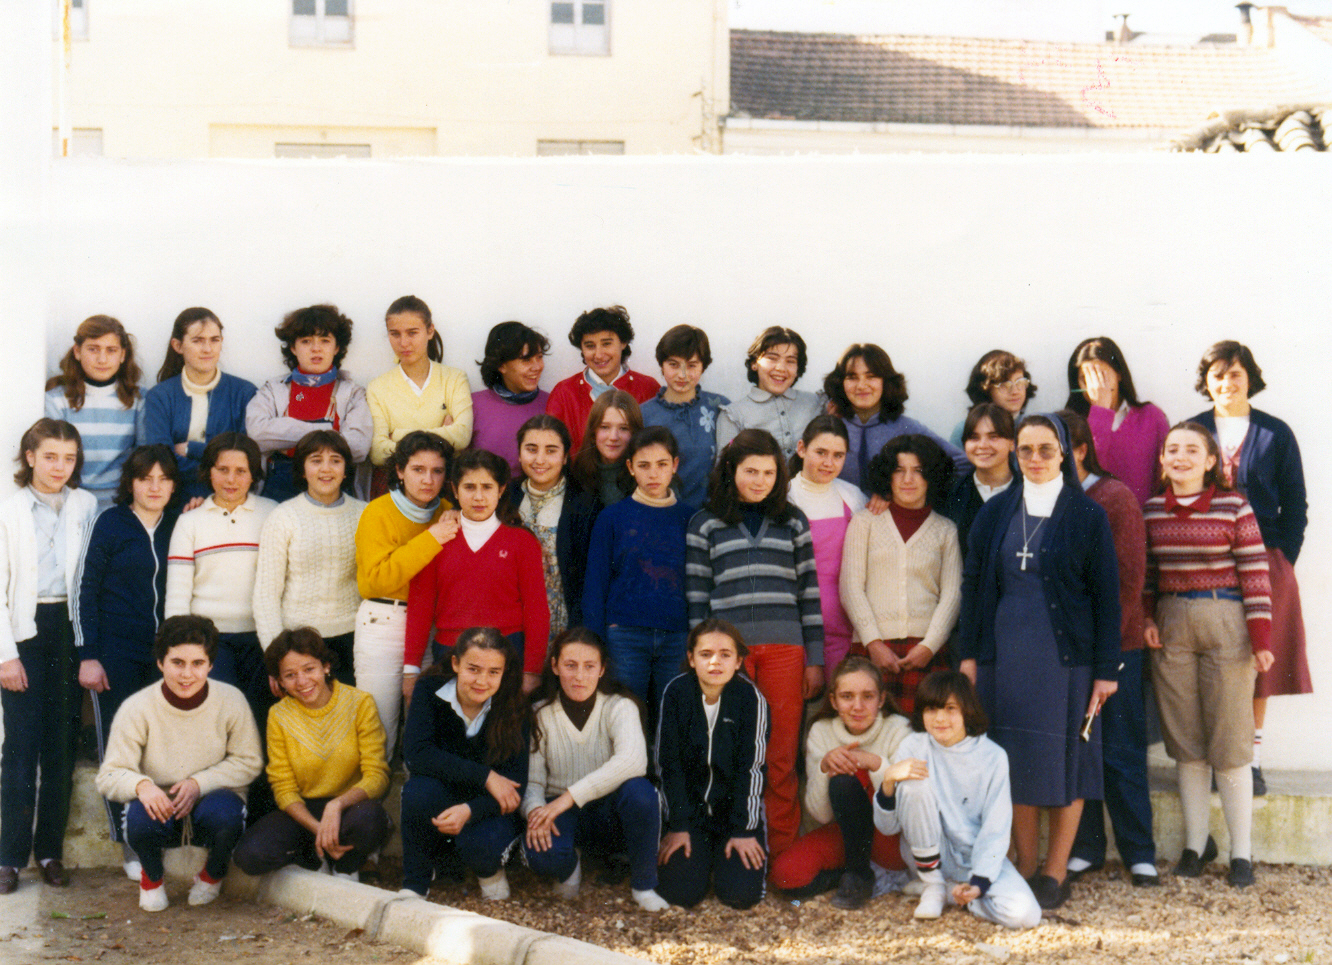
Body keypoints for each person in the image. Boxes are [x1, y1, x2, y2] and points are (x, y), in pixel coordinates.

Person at [956, 414, 1120, 910]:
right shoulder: (995, 513)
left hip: (1065, 659)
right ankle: (1025, 863)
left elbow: (1107, 599)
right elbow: (973, 591)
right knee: (1015, 763)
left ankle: (1054, 871)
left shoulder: (1087, 516)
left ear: (1066, 454)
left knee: (1067, 762)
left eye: (1046, 449)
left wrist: (1107, 671)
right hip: (1005, 659)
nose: (1035, 459)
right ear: (1014, 453)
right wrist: (969, 657)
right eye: (1025, 449)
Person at [1143, 422, 1273, 889]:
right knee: (1187, 742)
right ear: (1162, 460)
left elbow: (1256, 571)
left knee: (1231, 740)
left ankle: (1242, 852)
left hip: (1227, 622)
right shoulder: (1152, 510)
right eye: (1172, 450)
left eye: (1191, 450)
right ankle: (1197, 845)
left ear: (1210, 460)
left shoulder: (1233, 505)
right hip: (1173, 624)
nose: (1180, 457)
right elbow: (1147, 576)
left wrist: (1261, 640)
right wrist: (1148, 618)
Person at [686, 428, 823, 859]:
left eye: (768, 472)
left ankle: (780, 853)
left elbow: (809, 593)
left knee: (780, 755)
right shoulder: (704, 522)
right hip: (728, 657)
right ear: (731, 471)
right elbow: (697, 598)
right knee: (729, 750)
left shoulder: (793, 521)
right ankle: (729, 849)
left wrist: (815, 659)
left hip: (785, 651)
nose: (760, 480)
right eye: (750, 471)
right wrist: (701, 659)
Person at [1190, 340, 1309, 796]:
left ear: (1249, 379)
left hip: (1265, 563)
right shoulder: (1193, 429)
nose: (1227, 382)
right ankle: (1215, 760)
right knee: (1215, 659)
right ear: (1207, 382)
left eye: (1235, 374)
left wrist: (1280, 560)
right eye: (1218, 375)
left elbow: (1295, 504)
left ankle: (1250, 761)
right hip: (1204, 564)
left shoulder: (1275, 433)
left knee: (1259, 664)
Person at [94, 615, 262, 911]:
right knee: (138, 818)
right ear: (160, 662)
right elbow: (109, 775)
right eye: (177, 662)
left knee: (227, 813)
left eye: (198, 663)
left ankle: (213, 875)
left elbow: (249, 762)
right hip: (162, 807)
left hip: (210, 802)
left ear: (210, 665)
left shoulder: (231, 700)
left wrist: (200, 783)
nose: (187, 674)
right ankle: (152, 877)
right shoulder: (137, 707)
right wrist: (142, 785)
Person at [0, 419, 99, 895]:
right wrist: (5, 656)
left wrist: (88, 646)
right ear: (31, 457)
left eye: (69, 458)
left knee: (60, 747)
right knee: (19, 748)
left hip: (69, 629)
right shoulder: (9, 509)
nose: (60, 466)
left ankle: (49, 851)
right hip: (24, 631)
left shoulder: (85, 504)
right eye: (51, 456)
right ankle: (8, 858)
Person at [1061, 410, 1157, 888]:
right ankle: (1087, 847)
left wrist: (1106, 650)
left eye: (1056, 448)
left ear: (1079, 450)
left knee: (1119, 749)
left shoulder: (1113, 497)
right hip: (1068, 650)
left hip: (1117, 645)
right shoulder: (1049, 499)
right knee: (1081, 750)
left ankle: (1140, 852)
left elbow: (1127, 581)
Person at [74, 444, 182, 866]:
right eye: (145, 479)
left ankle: (162, 834)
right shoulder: (111, 522)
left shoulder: (181, 523)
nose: (154, 487)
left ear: (174, 484)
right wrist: (88, 654)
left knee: (163, 746)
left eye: (164, 478)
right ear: (130, 483)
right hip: (115, 654)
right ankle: (131, 845)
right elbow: (85, 588)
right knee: (121, 750)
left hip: (166, 657)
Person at [873, 670, 1041, 929]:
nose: (940, 718)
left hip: (975, 857)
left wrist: (979, 883)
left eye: (950, 708)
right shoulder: (913, 746)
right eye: (931, 709)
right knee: (916, 784)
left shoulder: (993, 756)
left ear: (967, 710)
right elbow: (888, 827)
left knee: (1026, 915)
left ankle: (952, 893)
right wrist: (888, 781)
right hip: (929, 854)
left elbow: (996, 827)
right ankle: (932, 885)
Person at [522, 628, 666, 911]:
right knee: (542, 853)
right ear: (554, 666)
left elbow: (633, 761)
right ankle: (569, 864)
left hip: (606, 811)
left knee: (641, 791)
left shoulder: (619, 706)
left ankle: (644, 885)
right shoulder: (539, 712)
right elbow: (533, 781)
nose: (579, 676)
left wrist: (570, 796)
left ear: (602, 670)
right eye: (570, 665)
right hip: (559, 812)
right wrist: (536, 813)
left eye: (589, 666)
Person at [232, 628, 390, 881]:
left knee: (370, 819)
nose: (302, 682)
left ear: (325, 666)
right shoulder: (279, 715)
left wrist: (336, 805)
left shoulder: (359, 703)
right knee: (250, 856)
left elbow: (377, 776)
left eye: (309, 669)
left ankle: (346, 867)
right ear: (280, 682)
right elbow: (283, 788)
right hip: (304, 813)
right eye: (290, 675)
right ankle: (314, 856)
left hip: (349, 807)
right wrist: (318, 829)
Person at [769, 655, 910, 908]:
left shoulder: (898, 728)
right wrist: (825, 767)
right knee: (786, 877)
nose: (857, 706)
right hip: (847, 831)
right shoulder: (821, 731)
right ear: (833, 700)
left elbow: (908, 804)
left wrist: (874, 763)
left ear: (881, 699)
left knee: (849, 774)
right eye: (847, 696)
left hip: (890, 834)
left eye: (868, 696)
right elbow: (821, 815)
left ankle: (858, 875)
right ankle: (860, 874)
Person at [399, 626, 529, 899]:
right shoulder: (429, 689)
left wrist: (470, 809)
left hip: (486, 804)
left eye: (494, 672)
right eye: (474, 669)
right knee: (417, 793)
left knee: (481, 844)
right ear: (456, 663)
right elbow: (416, 753)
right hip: (448, 790)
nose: (482, 680)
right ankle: (415, 884)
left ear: (504, 673)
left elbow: (514, 785)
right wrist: (485, 776)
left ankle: (490, 873)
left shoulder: (514, 705)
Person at [406, 449, 549, 690]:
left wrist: (532, 670)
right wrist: (410, 671)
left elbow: (536, 611)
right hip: (450, 653)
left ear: (501, 490)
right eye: (470, 487)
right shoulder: (437, 538)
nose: (479, 496)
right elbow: (420, 607)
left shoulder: (522, 542)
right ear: (454, 489)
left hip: (507, 652)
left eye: (487, 487)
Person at [164, 432, 278, 729]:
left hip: (261, 637)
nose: (231, 479)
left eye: (241, 471)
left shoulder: (272, 514)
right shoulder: (190, 521)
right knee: (217, 720)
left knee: (258, 719)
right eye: (222, 470)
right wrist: (179, 647)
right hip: (209, 641)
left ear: (254, 474)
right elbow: (178, 591)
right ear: (208, 471)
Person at [353, 431, 455, 759]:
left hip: (430, 627)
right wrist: (431, 539)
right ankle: (371, 808)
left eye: (437, 471)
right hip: (384, 621)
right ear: (399, 471)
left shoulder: (449, 511)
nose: (428, 479)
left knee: (424, 725)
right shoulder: (378, 512)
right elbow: (375, 581)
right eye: (418, 469)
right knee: (378, 728)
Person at [841, 435, 960, 713]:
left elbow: (953, 595)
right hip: (872, 650)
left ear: (931, 477)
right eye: (899, 469)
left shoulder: (946, 530)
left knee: (921, 739)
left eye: (918, 471)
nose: (908, 479)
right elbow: (850, 587)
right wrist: (873, 643)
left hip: (925, 653)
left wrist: (929, 646)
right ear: (887, 475)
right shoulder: (864, 522)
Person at [583, 426, 694, 722]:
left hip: (677, 635)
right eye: (644, 465)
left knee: (672, 719)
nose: (653, 474)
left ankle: (665, 771)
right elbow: (595, 585)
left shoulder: (690, 519)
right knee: (626, 717)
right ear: (630, 467)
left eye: (662, 465)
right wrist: (597, 642)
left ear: (675, 465)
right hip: (625, 636)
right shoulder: (612, 518)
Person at [655, 619, 768, 909]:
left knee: (740, 896)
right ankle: (702, 855)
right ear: (691, 659)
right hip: (689, 815)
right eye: (705, 654)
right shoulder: (676, 693)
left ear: (739, 660)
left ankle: (724, 853)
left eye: (725, 654)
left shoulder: (750, 699)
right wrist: (678, 824)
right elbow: (668, 763)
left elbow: (752, 768)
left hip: (734, 814)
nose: (715, 662)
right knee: (680, 894)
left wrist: (744, 829)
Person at [254, 430, 366, 685]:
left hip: (354, 641)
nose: (326, 469)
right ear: (302, 470)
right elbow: (266, 595)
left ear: (346, 469)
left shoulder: (366, 514)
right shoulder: (283, 517)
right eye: (316, 460)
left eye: (335, 460)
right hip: (297, 645)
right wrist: (277, 659)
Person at [245, 304, 372, 503]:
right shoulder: (273, 389)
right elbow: (257, 433)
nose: (316, 348)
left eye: (324, 340)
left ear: (337, 347)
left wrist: (287, 434)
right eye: (306, 341)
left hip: (334, 481)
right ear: (293, 348)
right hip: (282, 480)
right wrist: (327, 429)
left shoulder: (353, 393)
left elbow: (359, 446)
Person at [142, 307, 256, 499]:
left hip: (228, 496)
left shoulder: (244, 393)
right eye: (197, 341)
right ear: (178, 346)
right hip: (174, 498)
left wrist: (190, 449)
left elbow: (247, 457)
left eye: (214, 340)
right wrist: (219, 466)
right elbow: (161, 459)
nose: (207, 349)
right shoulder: (160, 396)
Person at [502, 415, 598, 638]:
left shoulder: (584, 505)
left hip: (562, 623)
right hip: (510, 621)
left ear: (565, 457)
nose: (540, 459)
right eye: (531, 449)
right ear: (519, 453)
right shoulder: (504, 497)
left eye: (551, 450)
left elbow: (587, 579)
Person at [367, 296, 474, 495]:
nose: (404, 342)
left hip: (444, 485)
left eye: (412, 333)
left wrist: (398, 435)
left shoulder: (454, 378)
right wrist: (442, 435)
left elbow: (461, 436)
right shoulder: (377, 388)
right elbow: (377, 451)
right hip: (395, 488)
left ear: (430, 331)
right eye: (395, 334)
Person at [823, 343, 966, 492]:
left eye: (871, 376)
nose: (861, 385)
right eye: (852, 377)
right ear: (840, 382)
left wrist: (905, 495)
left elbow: (962, 463)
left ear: (886, 381)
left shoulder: (907, 427)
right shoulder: (831, 425)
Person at [786, 416, 866, 673]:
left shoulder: (852, 496)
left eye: (838, 455)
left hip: (846, 627)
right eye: (820, 452)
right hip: (798, 627)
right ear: (801, 449)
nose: (829, 463)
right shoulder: (784, 496)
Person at [45, 314, 145, 510]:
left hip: (122, 504)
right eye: (93, 349)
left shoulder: (139, 400)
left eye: (111, 350)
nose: (102, 359)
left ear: (123, 355)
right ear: (77, 351)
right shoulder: (56, 400)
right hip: (70, 502)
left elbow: (143, 458)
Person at [1063, 336, 1170, 507]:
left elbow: (1166, 476)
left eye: (1101, 376)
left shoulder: (1151, 416)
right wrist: (1101, 411)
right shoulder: (1070, 422)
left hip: (1140, 520)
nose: (1095, 386)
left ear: (1119, 374)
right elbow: (1086, 469)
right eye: (1086, 379)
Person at [545, 305, 659, 451]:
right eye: (590, 346)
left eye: (606, 344)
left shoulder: (648, 387)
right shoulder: (564, 392)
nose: (598, 354)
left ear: (623, 343)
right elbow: (552, 448)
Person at [640, 325, 728, 508]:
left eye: (692, 365)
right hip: (662, 515)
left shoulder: (721, 407)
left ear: (703, 366)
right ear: (661, 365)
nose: (682, 375)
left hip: (712, 516)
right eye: (673, 364)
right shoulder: (643, 415)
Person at [716, 326, 823, 458]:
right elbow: (724, 470)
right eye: (772, 358)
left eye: (790, 361)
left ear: (797, 368)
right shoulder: (734, 415)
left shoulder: (814, 403)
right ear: (755, 363)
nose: (781, 368)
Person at [470, 320, 550, 479]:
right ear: (501, 365)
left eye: (539, 357)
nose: (536, 367)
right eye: (526, 360)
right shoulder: (473, 405)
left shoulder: (553, 403)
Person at [942, 403, 1016, 557]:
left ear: (1012, 443)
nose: (982, 445)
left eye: (993, 437)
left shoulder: (1029, 492)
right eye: (974, 437)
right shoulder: (951, 494)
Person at [568, 390, 643, 509]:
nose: (613, 437)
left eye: (623, 428)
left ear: (635, 432)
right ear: (593, 432)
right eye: (605, 427)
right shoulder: (577, 475)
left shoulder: (646, 478)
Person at [949, 350, 1036, 447]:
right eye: (1004, 385)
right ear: (986, 390)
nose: (1015, 391)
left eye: (1019, 382)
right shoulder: (964, 430)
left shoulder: (1033, 428)